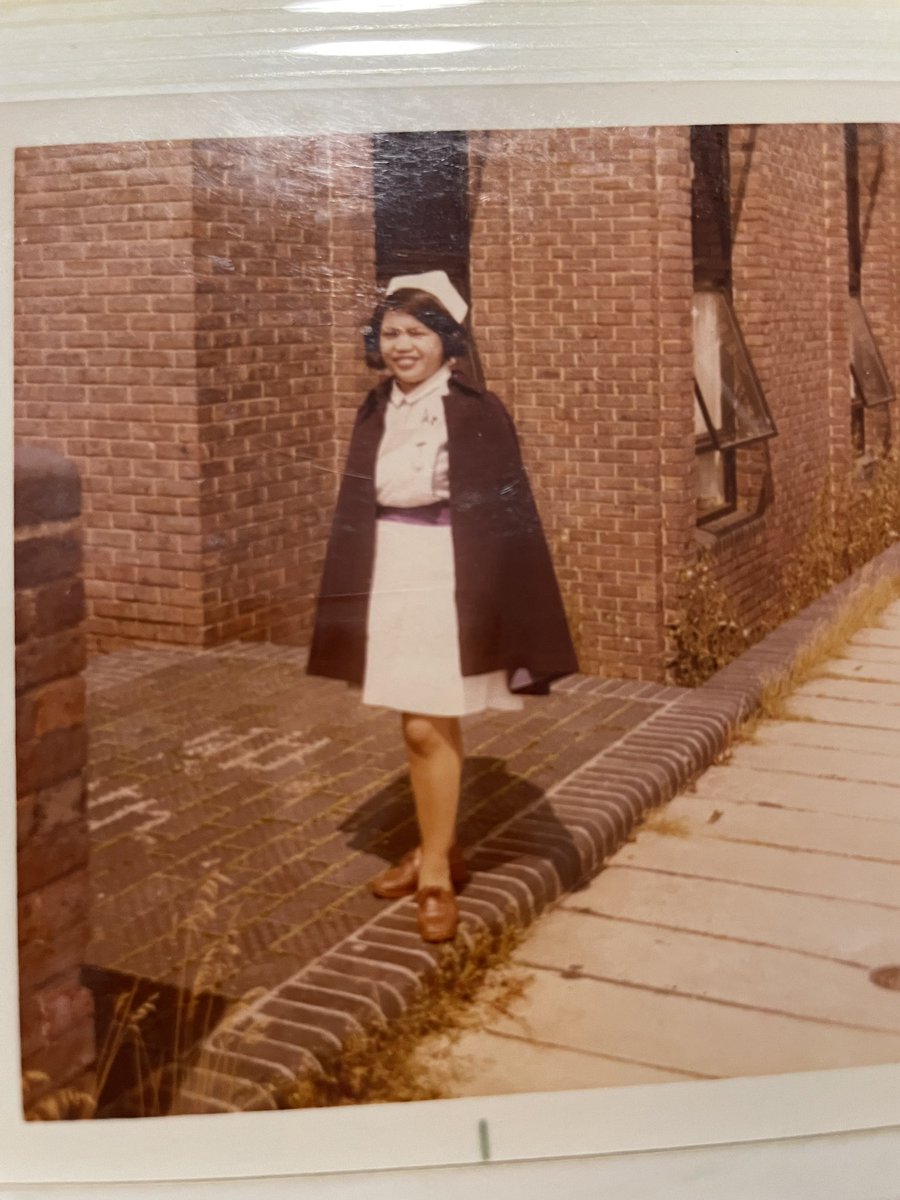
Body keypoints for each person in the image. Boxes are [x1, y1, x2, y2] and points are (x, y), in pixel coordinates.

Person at [307, 270, 578, 942]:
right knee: (416, 720)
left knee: (430, 726)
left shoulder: (477, 411)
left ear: (446, 341)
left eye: (418, 333)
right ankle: (441, 848)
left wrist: (493, 602)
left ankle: (434, 876)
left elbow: (505, 519)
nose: (403, 346)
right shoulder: (375, 409)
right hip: (390, 568)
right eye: (392, 333)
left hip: (448, 572)